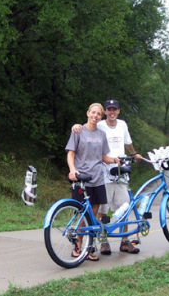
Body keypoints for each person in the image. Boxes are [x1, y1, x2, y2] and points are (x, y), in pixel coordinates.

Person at [72, 98, 142, 255]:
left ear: (118, 111)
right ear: (105, 112)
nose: (111, 112)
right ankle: (104, 242)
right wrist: (75, 126)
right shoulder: (100, 124)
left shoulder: (123, 125)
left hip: (121, 172)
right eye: (109, 109)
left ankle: (125, 242)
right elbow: (86, 126)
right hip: (104, 173)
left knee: (125, 206)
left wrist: (133, 154)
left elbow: (128, 142)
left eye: (114, 109)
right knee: (103, 209)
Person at [66, 103, 120, 261]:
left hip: (98, 179)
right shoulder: (78, 131)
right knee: (82, 216)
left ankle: (88, 249)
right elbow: (71, 153)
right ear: (87, 113)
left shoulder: (101, 135)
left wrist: (115, 160)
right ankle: (77, 246)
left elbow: (103, 157)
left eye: (98, 114)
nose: (95, 116)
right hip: (82, 178)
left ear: (101, 117)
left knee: (92, 216)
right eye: (93, 113)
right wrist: (72, 169)